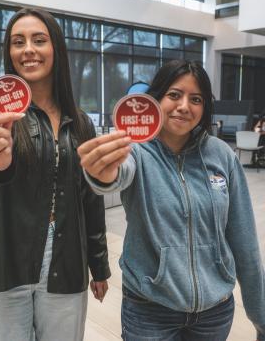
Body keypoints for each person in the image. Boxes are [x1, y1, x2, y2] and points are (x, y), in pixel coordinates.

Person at [78, 60, 265, 341]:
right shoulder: (136, 151)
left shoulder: (221, 155)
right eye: (174, 95)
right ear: (156, 99)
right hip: (149, 309)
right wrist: (102, 173)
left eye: (196, 99)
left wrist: (260, 316)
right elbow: (117, 175)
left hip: (215, 311)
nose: (184, 106)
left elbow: (244, 240)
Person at [0, 7, 111, 341]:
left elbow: (90, 197)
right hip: (5, 265)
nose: (27, 49)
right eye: (18, 42)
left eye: (38, 40)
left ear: (55, 48)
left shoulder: (81, 121)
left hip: (67, 266)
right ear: (9, 53)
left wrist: (99, 266)